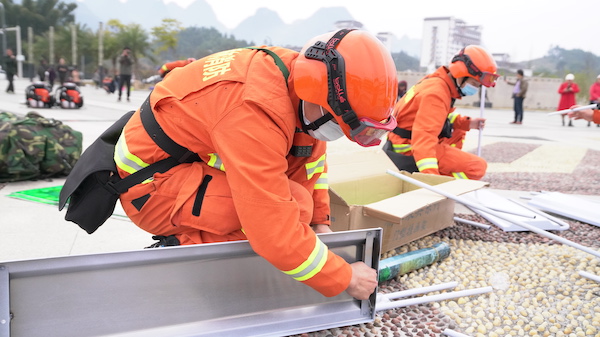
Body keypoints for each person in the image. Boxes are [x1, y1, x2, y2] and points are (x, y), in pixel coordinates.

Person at [112, 29, 397, 300]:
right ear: (321, 99)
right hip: (151, 188)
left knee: (299, 210)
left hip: (183, 166)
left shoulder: (300, 84)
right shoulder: (254, 108)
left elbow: (310, 163)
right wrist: (345, 277)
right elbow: (273, 231)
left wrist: (320, 224)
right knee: (283, 214)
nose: (334, 131)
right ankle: (178, 253)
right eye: (336, 123)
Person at [384, 45, 497, 180]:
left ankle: (446, 164)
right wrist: (432, 179)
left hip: (401, 140)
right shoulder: (436, 94)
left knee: (459, 131)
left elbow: (437, 117)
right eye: (474, 83)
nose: (475, 88)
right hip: (407, 147)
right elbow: (424, 137)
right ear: (461, 75)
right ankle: (445, 184)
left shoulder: (439, 82)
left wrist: (467, 123)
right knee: (477, 167)